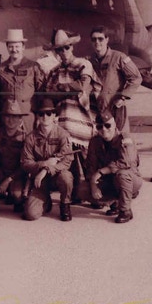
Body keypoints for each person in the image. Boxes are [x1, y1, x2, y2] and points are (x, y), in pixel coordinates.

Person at [41, 29, 97, 203]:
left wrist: (61, 88)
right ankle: (75, 194)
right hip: (63, 123)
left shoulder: (83, 64)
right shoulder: (54, 71)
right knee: (69, 161)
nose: (63, 52)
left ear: (72, 47)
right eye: (59, 49)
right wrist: (68, 90)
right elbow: (48, 93)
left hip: (82, 121)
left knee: (88, 161)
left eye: (66, 48)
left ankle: (95, 194)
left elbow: (83, 85)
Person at [21, 97, 74, 222]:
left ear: (54, 115)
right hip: (39, 181)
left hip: (57, 176)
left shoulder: (63, 135)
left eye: (49, 113)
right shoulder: (31, 137)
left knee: (66, 177)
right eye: (41, 114)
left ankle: (65, 204)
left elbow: (66, 161)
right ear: (37, 116)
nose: (45, 117)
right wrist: (43, 164)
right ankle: (46, 202)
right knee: (31, 214)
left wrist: (46, 170)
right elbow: (25, 162)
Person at [85, 111, 142, 223]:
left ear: (115, 125)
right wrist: (93, 184)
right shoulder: (95, 142)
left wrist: (101, 171)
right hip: (110, 180)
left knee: (122, 174)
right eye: (100, 127)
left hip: (130, 179)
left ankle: (125, 210)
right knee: (83, 189)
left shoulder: (125, 139)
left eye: (107, 125)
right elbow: (91, 165)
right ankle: (114, 203)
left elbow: (126, 162)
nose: (104, 129)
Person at [88, 26, 142, 132]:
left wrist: (122, 97)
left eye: (100, 39)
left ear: (107, 39)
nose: (97, 42)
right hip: (97, 110)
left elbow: (136, 77)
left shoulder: (119, 57)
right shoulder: (90, 61)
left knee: (121, 138)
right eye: (94, 39)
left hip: (115, 108)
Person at [0, 28, 44, 133]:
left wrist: (40, 116)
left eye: (17, 46)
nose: (14, 50)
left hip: (28, 117)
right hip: (7, 118)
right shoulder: (1, 69)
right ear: (7, 47)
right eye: (11, 46)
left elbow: (41, 93)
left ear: (23, 47)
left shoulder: (33, 67)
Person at [0, 98, 30, 215]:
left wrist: (8, 180)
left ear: (20, 119)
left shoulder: (26, 137)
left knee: (17, 196)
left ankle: (14, 196)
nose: (11, 120)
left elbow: (25, 165)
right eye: (8, 116)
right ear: (3, 118)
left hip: (16, 175)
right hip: (0, 173)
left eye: (15, 117)